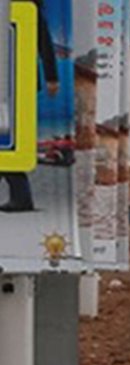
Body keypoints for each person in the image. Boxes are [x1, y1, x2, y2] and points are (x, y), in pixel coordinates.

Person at [1, 0, 59, 213]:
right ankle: (20, 195)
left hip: (16, 83)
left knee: (8, 143)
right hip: (15, 81)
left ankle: (21, 196)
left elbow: (44, 43)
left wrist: (52, 77)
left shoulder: (26, 9)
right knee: (6, 143)